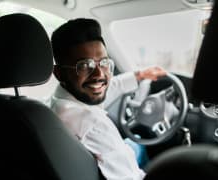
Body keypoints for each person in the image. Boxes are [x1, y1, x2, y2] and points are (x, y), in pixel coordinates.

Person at [48, 18, 166, 180]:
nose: (99, 75)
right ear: (59, 73)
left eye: (104, 62)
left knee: (136, 142)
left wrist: (140, 75)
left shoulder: (59, 101)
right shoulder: (92, 125)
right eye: (84, 65)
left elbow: (109, 86)